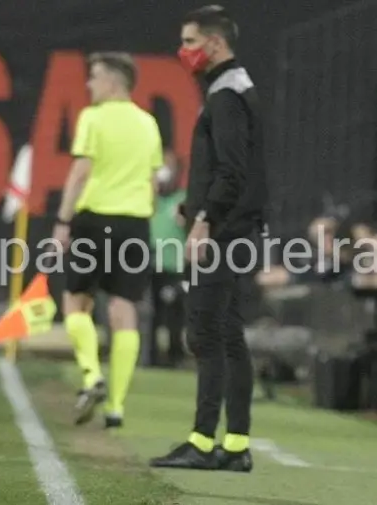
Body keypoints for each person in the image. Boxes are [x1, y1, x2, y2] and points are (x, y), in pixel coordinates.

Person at [150, 5, 267, 473]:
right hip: (234, 229)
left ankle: (202, 442)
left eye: (191, 42)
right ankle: (234, 445)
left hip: (224, 234)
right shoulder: (233, 88)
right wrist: (192, 205)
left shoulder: (225, 93)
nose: (185, 51)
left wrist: (204, 219)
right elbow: (233, 168)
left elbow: (232, 171)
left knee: (207, 336)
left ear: (215, 43)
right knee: (228, 337)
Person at [51, 52, 163, 429]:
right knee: (123, 310)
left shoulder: (93, 118)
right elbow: (152, 183)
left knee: (75, 303)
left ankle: (91, 375)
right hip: (135, 224)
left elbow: (80, 171)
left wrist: (63, 220)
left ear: (113, 82)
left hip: (95, 221)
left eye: (95, 77)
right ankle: (116, 407)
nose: (89, 84)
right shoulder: (149, 124)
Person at [148, 151, 188, 367]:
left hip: (175, 266)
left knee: (174, 314)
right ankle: (150, 357)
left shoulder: (182, 198)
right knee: (150, 315)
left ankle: (175, 357)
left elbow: (189, 223)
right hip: (151, 265)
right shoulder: (149, 199)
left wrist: (184, 217)